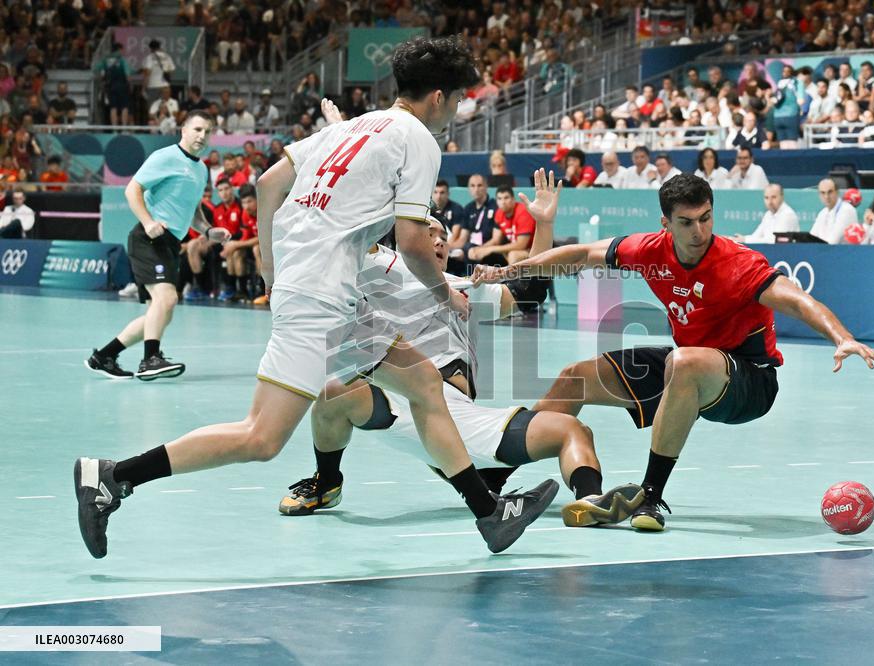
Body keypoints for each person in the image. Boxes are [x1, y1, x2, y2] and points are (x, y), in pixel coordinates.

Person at [73, 37, 556, 560]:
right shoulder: (419, 139)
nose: (457, 111)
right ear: (438, 96)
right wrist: (447, 298)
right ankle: (113, 477)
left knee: (423, 385)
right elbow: (415, 244)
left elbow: (267, 184)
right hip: (319, 299)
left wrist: (268, 265)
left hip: (328, 293)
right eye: (459, 99)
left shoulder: (346, 128)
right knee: (261, 438)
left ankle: (489, 514)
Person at [473, 174, 874, 532]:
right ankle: (496, 481)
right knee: (575, 377)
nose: (699, 231)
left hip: (749, 380)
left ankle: (650, 496)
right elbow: (582, 255)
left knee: (684, 361)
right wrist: (510, 272)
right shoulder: (649, 250)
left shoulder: (738, 264)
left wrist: (841, 337)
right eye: (687, 223)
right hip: (688, 361)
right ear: (666, 224)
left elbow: (798, 301)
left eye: (706, 218)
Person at [281, 172, 643, 527]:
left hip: (459, 420)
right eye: (428, 233)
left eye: (444, 237)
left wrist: (543, 224)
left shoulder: (464, 287)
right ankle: (326, 482)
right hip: (402, 404)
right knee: (333, 393)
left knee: (573, 430)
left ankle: (588, 503)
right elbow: (353, 228)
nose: (439, 241)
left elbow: (529, 291)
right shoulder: (383, 267)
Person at [85, 111, 213, 381]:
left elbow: (193, 211)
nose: (202, 135)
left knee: (162, 313)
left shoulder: (201, 170)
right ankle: (150, 360)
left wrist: (210, 230)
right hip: (149, 239)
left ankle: (104, 356)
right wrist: (148, 222)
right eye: (198, 129)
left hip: (171, 243)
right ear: (184, 130)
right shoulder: (166, 157)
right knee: (166, 299)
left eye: (207, 131)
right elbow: (132, 189)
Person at [471, 184, 535, 264]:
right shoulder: (499, 213)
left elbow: (521, 245)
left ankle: (511, 272)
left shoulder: (523, 212)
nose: (503, 202)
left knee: (513, 255)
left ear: (513, 199)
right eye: (499, 199)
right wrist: (480, 249)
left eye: (506, 198)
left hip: (533, 250)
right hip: (516, 249)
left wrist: (491, 249)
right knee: (478, 252)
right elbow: (495, 240)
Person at [449, 173, 498, 274]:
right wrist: (448, 247)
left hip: (489, 247)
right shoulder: (468, 208)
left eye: (479, 185)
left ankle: (472, 280)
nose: (476, 189)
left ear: (486, 187)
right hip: (470, 247)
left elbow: (496, 240)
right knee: (455, 255)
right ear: (468, 188)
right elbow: (463, 238)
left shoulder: (495, 206)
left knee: (469, 250)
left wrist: (479, 249)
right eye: (472, 186)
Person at [810, 178, 859, 244]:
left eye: (830, 192)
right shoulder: (822, 213)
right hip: (824, 249)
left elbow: (832, 242)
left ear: (837, 192)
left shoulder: (847, 210)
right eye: (823, 193)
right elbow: (812, 237)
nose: (826, 197)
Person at [95, 42, 131, 126]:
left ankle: (114, 128)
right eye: (122, 50)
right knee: (124, 107)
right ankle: (124, 128)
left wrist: (102, 78)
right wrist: (129, 85)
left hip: (111, 87)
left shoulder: (106, 60)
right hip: (122, 86)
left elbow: (97, 68)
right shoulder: (122, 60)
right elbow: (127, 75)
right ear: (119, 49)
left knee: (113, 107)